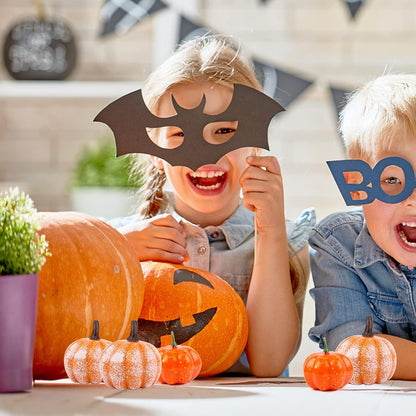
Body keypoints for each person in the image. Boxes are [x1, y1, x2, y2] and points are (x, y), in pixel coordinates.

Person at [109, 35, 315, 377]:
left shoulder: (289, 241)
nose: (206, 154)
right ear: (154, 154)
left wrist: (271, 231)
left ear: (254, 143)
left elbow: (268, 363)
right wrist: (117, 254)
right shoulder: (117, 240)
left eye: (224, 131)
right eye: (179, 135)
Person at [308, 73, 416, 380]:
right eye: (392, 179)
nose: (412, 199)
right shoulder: (337, 245)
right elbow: (353, 354)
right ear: (356, 186)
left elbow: (372, 355)